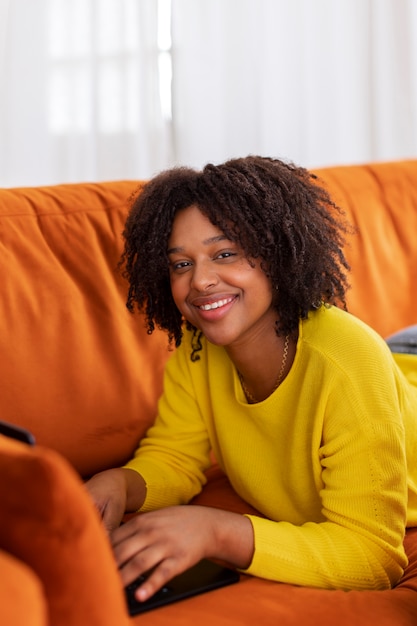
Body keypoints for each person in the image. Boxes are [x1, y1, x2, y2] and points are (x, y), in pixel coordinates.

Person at [86, 155, 417, 603]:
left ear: (277, 254)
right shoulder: (198, 350)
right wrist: (119, 485)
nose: (200, 281)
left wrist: (220, 533)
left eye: (225, 254)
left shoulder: (347, 361)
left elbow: (373, 557)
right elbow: (174, 457)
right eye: (181, 264)